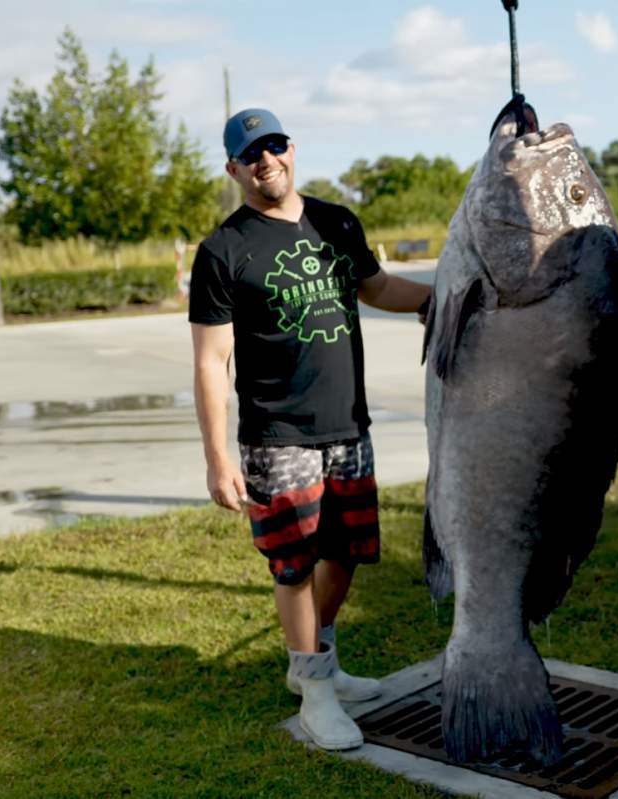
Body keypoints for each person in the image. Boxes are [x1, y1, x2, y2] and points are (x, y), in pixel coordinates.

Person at [188, 108, 431, 751]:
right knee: (292, 565)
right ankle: (315, 696)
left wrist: (439, 300)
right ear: (234, 168)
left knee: (345, 554)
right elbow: (212, 363)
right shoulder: (223, 250)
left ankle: (314, 660)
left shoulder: (336, 221)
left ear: (291, 150)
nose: (266, 160)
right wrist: (219, 458)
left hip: (348, 425)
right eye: (251, 154)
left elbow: (375, 287)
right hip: (276, 434)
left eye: (273, 146)